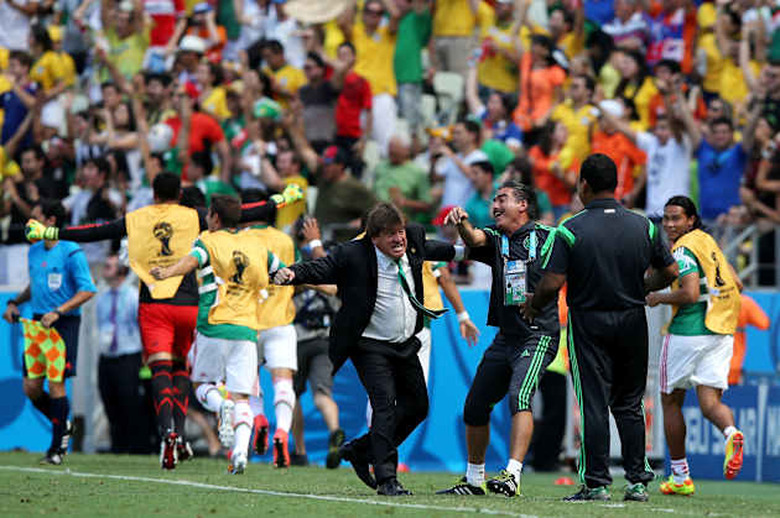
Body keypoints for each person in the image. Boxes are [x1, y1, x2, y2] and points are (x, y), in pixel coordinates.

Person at [24, 173, 299, 469]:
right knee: (181, 369)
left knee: (160, 371)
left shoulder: (137, 217)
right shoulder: (195, 216)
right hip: (189, 304)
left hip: (154, 302)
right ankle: (180, 437)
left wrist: (50, 234)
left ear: (153, 194)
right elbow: (247, 213)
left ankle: (168, 431)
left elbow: (98, 230)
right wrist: (282, 199)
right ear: (179, 194)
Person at [273, 202, 465, 496]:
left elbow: (443, 250)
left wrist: (480, 252)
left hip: (405, 344)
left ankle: (360, 450)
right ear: (373, 237)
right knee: (385, 404)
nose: (398, 238)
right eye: (390, 234)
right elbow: (321, 267)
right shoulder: (353, 253)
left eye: (400, 231)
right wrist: (291, 273)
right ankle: (387, 478)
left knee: (418, 407)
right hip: (369, 345)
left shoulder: (413, 239)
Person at [525, 153, 678, 502]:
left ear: (584, 185)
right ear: (617, 185)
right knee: (629, 403)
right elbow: (670, 272)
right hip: (632, 320)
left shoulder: (570, 228)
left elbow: (551, 283)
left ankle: (596, 483)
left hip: (589, 322)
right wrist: (642, 287)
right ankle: (637, 481)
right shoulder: (645, 226)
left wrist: (533, 305)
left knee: (593, 403)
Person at [438, 181, 558, 497]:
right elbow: (473, 237)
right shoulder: (495, 237)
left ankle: (512, 476)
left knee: (519, 397)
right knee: (475, 406)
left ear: (523, 205)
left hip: (537, 336)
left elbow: (574, 267)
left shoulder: (549, 238)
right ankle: (474, 480)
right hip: (506, 337)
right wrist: (462, 220)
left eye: (502, 198)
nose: (495, 204)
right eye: (494, 199)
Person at [150, 194, 283, 475]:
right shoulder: (257, 246)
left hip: (213, 325)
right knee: (243, 398)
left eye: (209, 214)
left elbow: (190, 261)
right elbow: (283, 273)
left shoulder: (207, 241)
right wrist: (318, 282)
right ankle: (240, 456)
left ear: (215, 218)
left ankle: (220, 405)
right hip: (247, 330)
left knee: (201, 386)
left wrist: (167, 273)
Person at [646, 196, 745, 495]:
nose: (669, 224)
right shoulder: (708, 242)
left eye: (676, 218)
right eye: (666, 219)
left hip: (688, 331)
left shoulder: (683, 248)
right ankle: (731, 433)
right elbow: (737, 283)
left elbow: (688, 293)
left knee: (670, 401)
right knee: (709, 403)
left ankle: (680, 476)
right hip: (720, 330)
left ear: (691, 220)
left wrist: (659, 297)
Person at [3, 200, 97, 465]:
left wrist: (59, 310)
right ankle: (62, 424)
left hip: (63, 324)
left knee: (56, 384)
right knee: (31, 387)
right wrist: (14, 302)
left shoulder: (71, 251)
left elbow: (87, 289)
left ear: (51, 221)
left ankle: (56, 449)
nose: (30, 224)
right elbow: (36, 285)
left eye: (35, 219)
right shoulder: (33, 251)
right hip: (36, 324)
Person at [241, 189, 299, 469]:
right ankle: (282, 433)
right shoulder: (285, 240)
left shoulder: (240, 240)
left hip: (248, 321)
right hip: (280, 319)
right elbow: (296, 274)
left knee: (248, 380)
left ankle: (258, 419)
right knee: (283, 381)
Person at [289, 216, 344, 468]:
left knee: (292, 395)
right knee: (323, 394)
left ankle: (300, 451)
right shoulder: (330, 259)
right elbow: (337, 290)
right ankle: (334, 430)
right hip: (326, 337)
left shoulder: (291, 260)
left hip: (297, 337)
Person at [96, 254, 150, 454]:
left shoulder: (132, 296)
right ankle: (117, 446)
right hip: (107, 356)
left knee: (130, 402)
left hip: (128, 356)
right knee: (109, 401)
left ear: (121, 271)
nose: (105, 269)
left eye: (110, 266)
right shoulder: (102, 298)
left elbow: (141, 327)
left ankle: (137, 447)